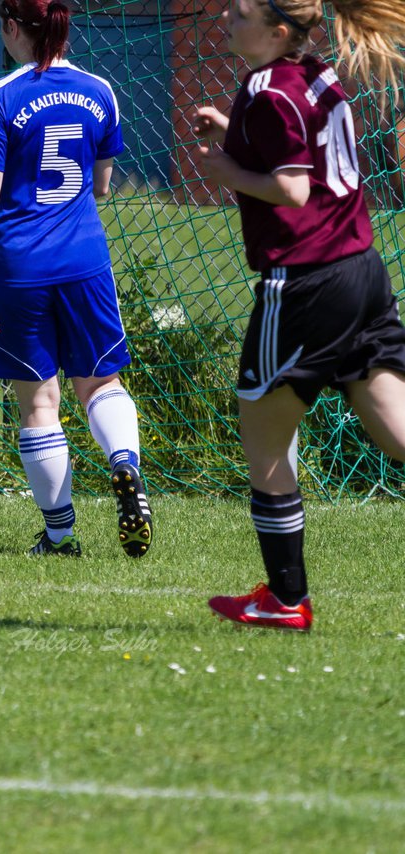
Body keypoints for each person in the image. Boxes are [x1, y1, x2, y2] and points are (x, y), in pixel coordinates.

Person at [192, 0, 405, 631]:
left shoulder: (268, 90)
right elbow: (303, 150)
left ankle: (285, 600)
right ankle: (282, 599)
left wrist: (227, 166)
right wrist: (236, 130)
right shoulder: (312, 73)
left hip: (307, 284)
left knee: (263, 442)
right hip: (362, 272)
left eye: (241, 10)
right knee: (398, 435)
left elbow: (292, 188)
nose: (227, 15)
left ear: (276, 29)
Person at [0, 0, 152, 559]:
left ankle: (61, 536)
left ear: (13, 29)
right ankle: (124, 466)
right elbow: (103, 185)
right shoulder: (101, 91)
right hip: (85, 261)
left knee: (39, 403)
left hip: (19, 268)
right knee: (102, 384)